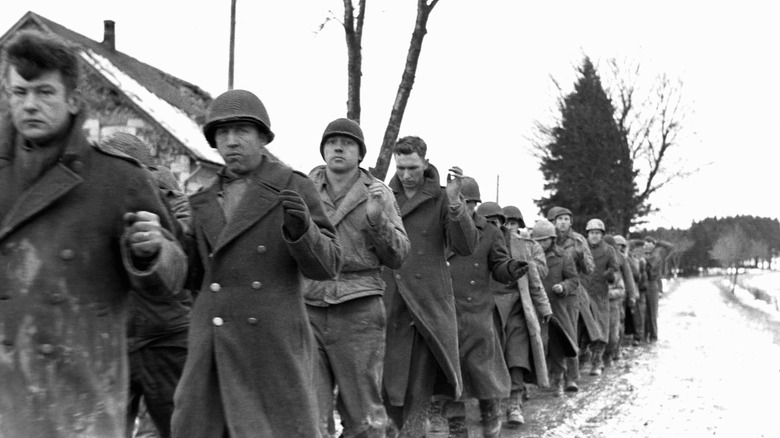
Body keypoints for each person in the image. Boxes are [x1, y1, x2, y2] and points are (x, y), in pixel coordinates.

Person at [0, 30, 187, 437]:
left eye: (45, 92)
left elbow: (174, 277)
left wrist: (150, 253)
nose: (30, 104)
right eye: (19, 91)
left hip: (78, 397)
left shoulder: (118, 178)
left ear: (71, 99)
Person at [171, 89, 342, 438]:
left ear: (263, 137)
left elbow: (328, 266)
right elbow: (192, 278)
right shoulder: (201, 200)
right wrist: (179, 238)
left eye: (242, 131)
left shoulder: (292, 186)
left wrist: (303, 231)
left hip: (271, 345)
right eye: (222, 133)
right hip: (212, 344)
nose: (231, 141)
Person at [303, 118, 410, 438]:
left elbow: (399, 256)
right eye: (332, 141)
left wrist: (377, 221)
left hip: (359, 307)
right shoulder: (303, 188)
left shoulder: (378, 193)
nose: (338, 147)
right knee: (309, 409)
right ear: (323, 149)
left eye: (347, 143)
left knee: (362, 413)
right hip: (309, 305)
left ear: (360, 154)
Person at [382, 135, 477, 437]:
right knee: (388, 389)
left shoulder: (440, 198)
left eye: (412, 167)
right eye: (400, 168)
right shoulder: (382, 196)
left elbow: (465, 245)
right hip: (390, 304)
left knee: (418, 390)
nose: (406, 175)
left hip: (427, 306)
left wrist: (455, 203)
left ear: (425, 162)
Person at [103, 133, 193, 438]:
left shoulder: (173, 205)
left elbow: (183, 251)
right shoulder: (96, 205)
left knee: (171, 430)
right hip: (116, 342)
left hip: (166, 338)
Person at [445, 178, 528, 438]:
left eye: (469, 203)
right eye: (460, 202)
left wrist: (510, 269)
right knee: (450, 371)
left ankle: (490, 411)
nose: (465, 208)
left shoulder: (490, 233)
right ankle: (456, 425)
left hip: (478, 311)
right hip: (447, 310)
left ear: (476, 205)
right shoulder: (442, 228)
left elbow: (499, 265)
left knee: (483, 369)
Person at [483, 202, 551, 428]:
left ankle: (514, 404)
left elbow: (533, 280)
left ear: (503, 223)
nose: (492, 226)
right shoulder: (473, 242)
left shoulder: (520, 245)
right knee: (489, 359)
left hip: (516, 308)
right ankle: (491, 406)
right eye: (486, 222)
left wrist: (544, 308)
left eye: (496, 222)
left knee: (517, 355)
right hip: (487, 309)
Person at [546, 206, 597, 391]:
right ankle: (554, 376)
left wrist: (582, 255)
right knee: (550, 336)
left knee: (570, 334)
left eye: (567, 219)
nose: (563, 222)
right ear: (552, 222)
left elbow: (590, 269)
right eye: (559, 219)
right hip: (548, 291)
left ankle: (571, 378)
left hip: (572, 294)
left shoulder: (578, 240)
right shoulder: (546, 239)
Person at [531, 220, 580, 397]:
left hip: (557, 308)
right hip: (534, 308)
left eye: (545, 240)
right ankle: (533, 383)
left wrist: (563, 287)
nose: (542, 244)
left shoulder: (563, 256)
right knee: (536, 345)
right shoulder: (528, 256)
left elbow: (574, 280)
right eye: (538, 240)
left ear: (552, 239)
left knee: (558, 345)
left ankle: (559, 380)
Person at [579, 219, 620, 376]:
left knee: (601, 330)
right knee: (582, 328)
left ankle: (597, 361)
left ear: (602, 235)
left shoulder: (609, 250)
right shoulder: (581, 249)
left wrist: (610, 275)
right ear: (587, 234)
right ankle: (583, 358)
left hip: (600, 295)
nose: (594, 236)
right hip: (583, 294)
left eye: (597, 233)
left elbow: (615, 272)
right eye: (591, 233)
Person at [642, 236, 673, 342]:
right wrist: (639, 241)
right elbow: (630, 244)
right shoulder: (642, 254)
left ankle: (653, 336)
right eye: (645, 244)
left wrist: (658, 242)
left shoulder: (658, 254)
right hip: (642, 284)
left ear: (653, 244)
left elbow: (670, 247)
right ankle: (644, 336)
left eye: (649, 243)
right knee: (644, 313)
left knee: (652, 312)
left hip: (652, 284)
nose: (646, 246)